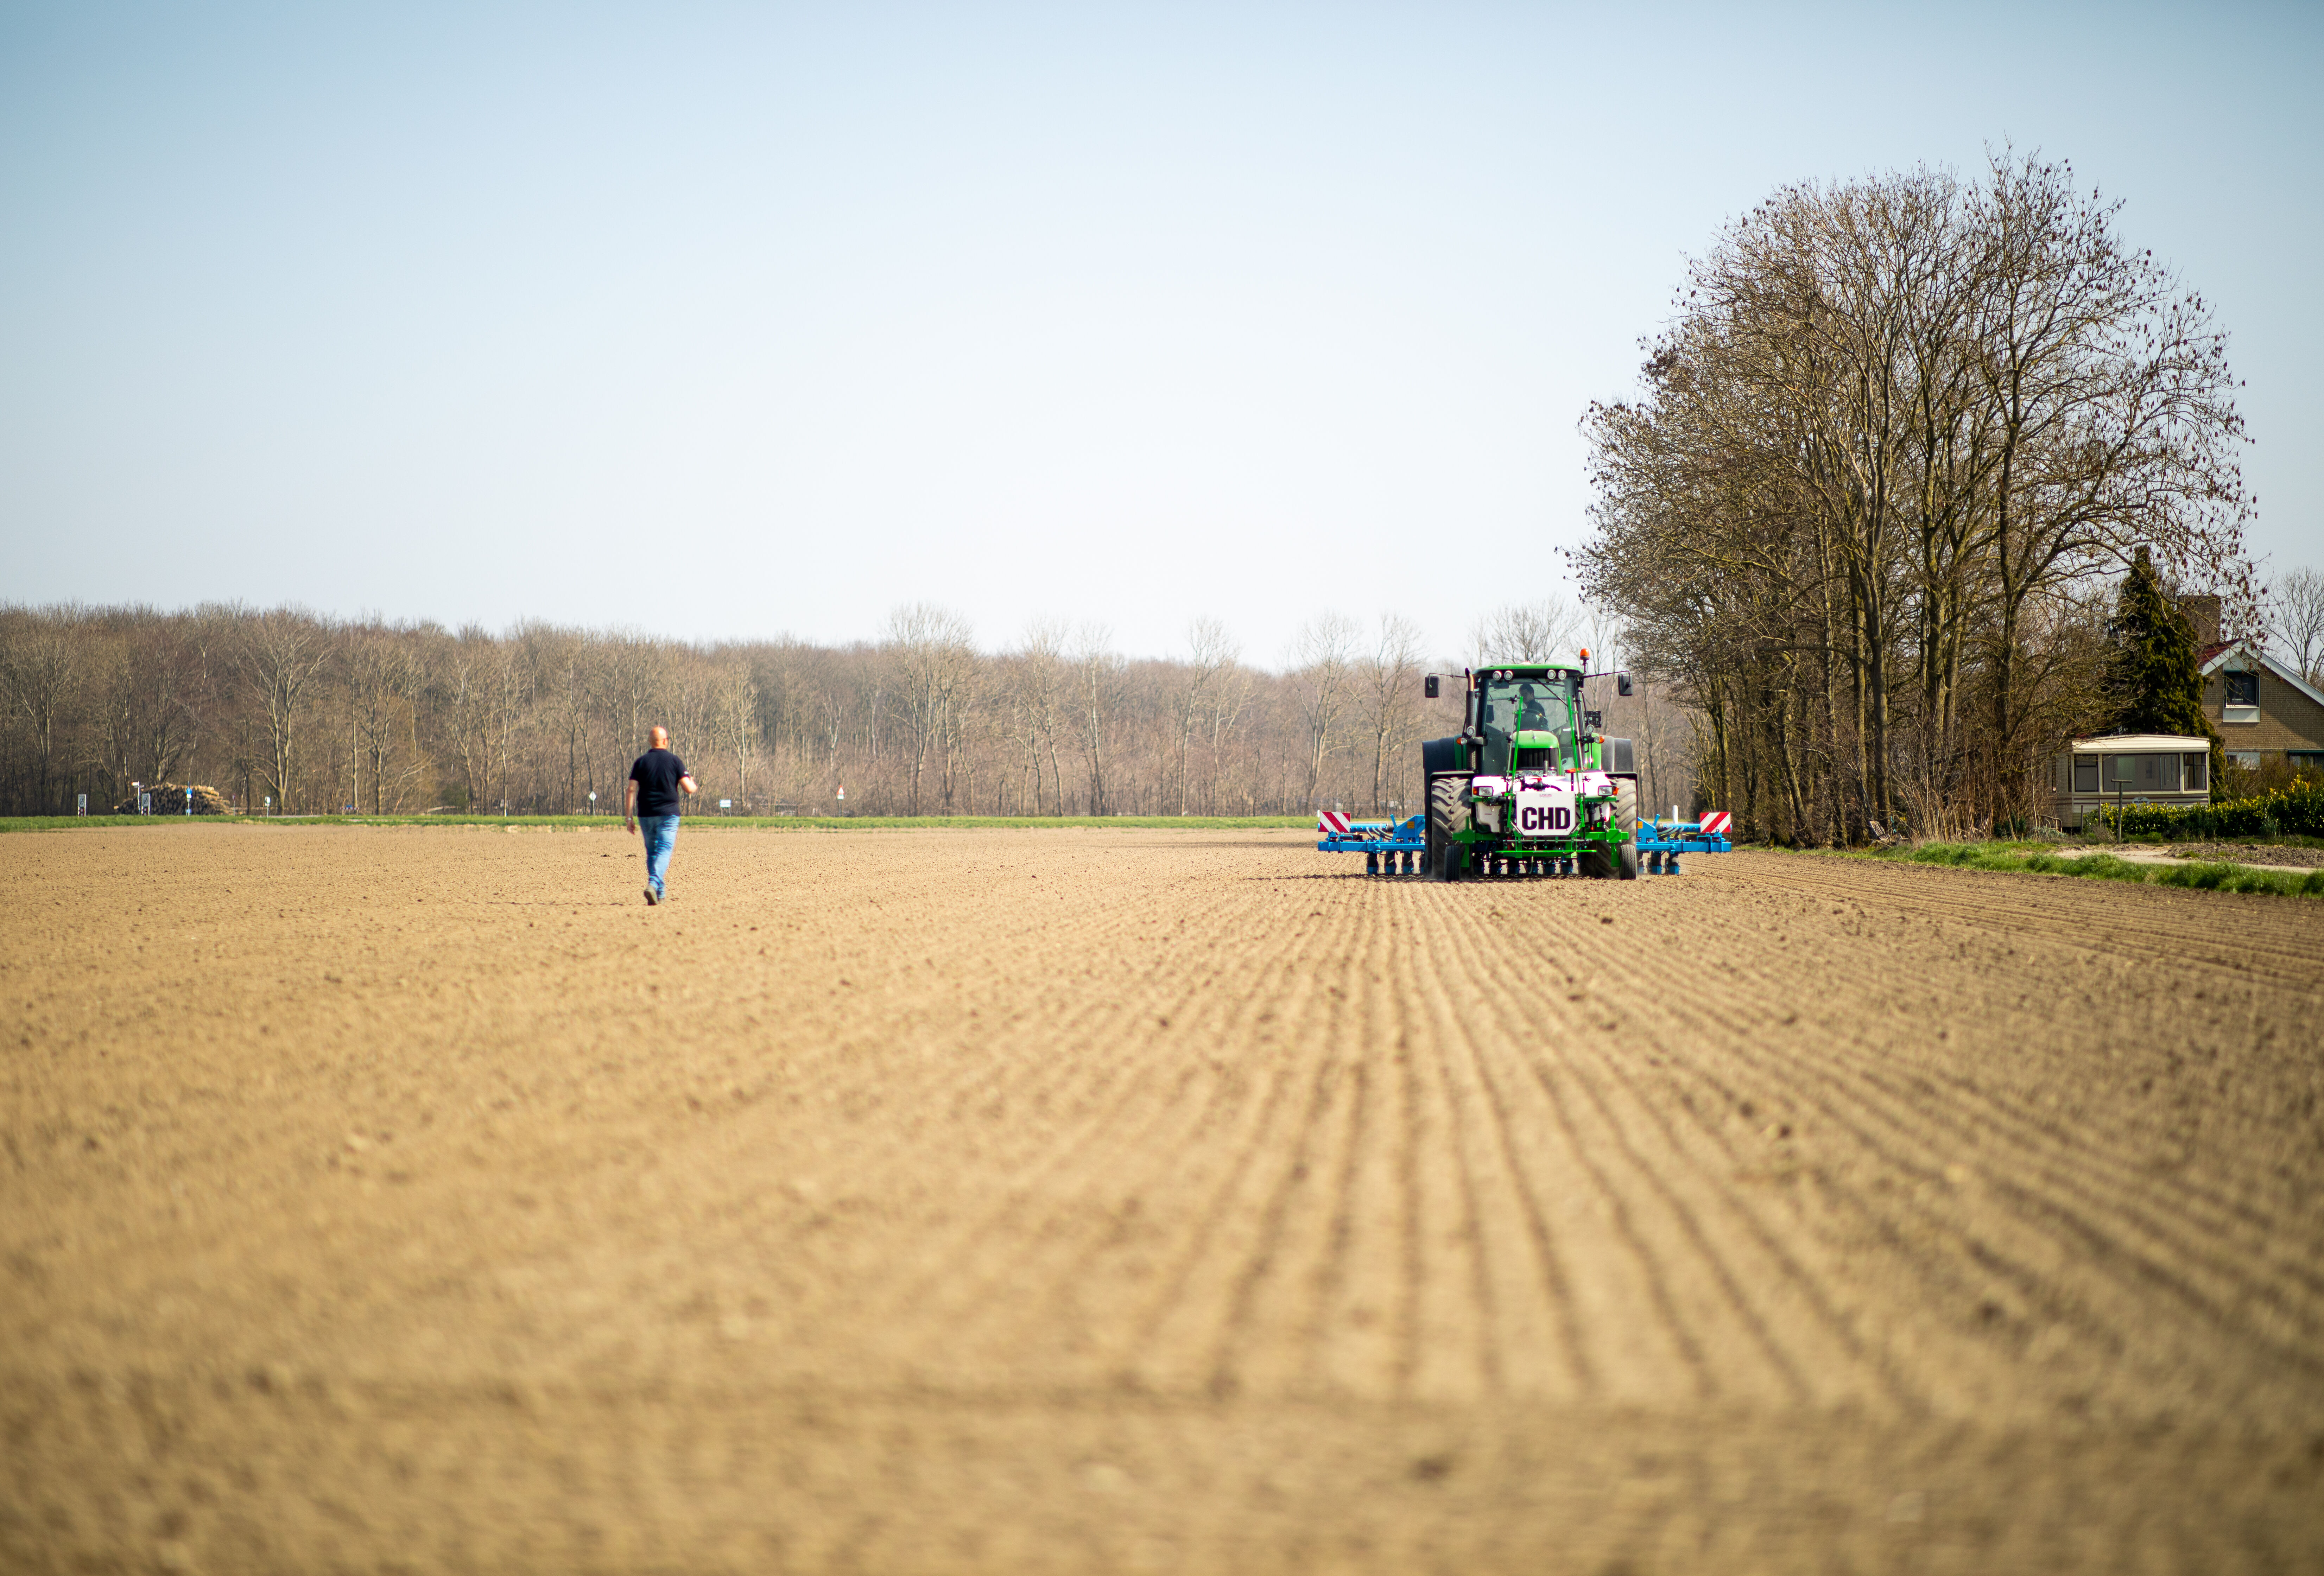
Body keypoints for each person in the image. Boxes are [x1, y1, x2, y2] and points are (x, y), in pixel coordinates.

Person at [624, 726, 697, 905]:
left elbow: (632, 789)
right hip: (668, 815)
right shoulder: (675, 761)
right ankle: (654, 883)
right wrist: (694, 784)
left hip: (646, 814)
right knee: (664, 850)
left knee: (652, 852)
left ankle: (660, 893)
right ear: (665, 741)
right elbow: (688, 788)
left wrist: (629, 817)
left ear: (651, 742)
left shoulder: (640, 763)